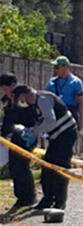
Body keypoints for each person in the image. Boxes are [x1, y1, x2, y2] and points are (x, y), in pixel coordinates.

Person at [13, 86, 77, 210]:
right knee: (47, 166)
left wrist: (34, 131)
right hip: (56, 137)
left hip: (66, 135)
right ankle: (47, 199)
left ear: (26, 95)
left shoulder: (43, 100)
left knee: (60, 167)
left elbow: (50, 121)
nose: (24, 102)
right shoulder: (35, 104)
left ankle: (59, 202)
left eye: (22, 99)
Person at [0, 74, 37, 208]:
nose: (5, 92)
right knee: (14, 167)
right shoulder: (8, 101)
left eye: (6, 88)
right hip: (12, 138)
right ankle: (21, 197)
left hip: (26, 137)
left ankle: (29, 197)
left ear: (12, 86)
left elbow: (31, 117)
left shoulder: (24, 97)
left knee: (22, 166)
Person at [46, 56, 83, 129]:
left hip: (70, 112)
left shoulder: (76, 82)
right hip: (56, 114)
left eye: (57, 67)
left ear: (65, 67)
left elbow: (80, 102)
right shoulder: (52, 83)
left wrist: (81, 120)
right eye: (54, 67)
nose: (55, 69)